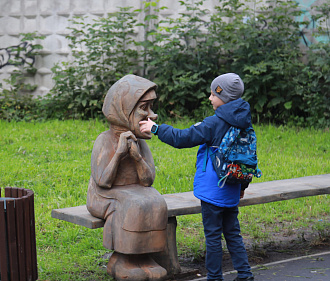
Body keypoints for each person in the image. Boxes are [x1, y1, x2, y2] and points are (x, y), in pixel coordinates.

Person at [139, 73, 254, 281]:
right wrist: (243, 185)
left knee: (212, 237)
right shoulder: (245, 122)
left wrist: (155, 128)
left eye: (212, 94)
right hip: (232, 188)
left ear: (224, 96)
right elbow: (248, 157)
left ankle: (214, 278)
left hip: (212, 192)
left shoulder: (214, 123)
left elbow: (183, 138)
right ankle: (245, 275)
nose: (210, 98)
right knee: (233, 235)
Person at [87, 74, 168, 281]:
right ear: (123, 110)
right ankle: (122, 259)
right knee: (133, 203)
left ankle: (146, 257)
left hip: (135, 191)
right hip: (103, 196)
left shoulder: (141, 144)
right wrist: (119, 154)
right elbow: (103, 182)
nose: (152, 115)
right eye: (144, 108)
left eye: (151, 107)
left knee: (156, 200)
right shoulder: (104, 140)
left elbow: (147, 181)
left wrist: (136, 156)